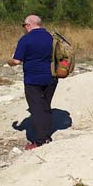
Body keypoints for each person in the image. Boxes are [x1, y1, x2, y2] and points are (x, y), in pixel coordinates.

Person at [7, 14, 57, 149]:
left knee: (36, 109)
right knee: (46, 106)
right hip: (52, 77)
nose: (24, 28)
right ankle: (46, 135)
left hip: (33, 79)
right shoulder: (51, 37)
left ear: (29, 25)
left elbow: (17, 60)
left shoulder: (26, 39)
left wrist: (9, 61)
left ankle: (40, 140)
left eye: (24, 25)